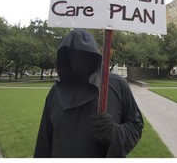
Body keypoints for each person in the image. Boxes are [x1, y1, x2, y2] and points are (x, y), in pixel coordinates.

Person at [34, 28, 144, 158]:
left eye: (84, 55)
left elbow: (135, 125)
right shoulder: (56, 91)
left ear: (94, 55)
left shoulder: (116, 84)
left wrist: (115, 132)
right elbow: (44, 141)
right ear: (65, 58)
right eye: (73, 55)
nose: (79, 61)